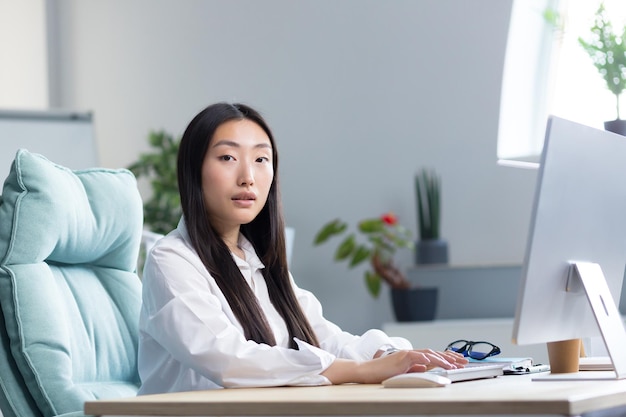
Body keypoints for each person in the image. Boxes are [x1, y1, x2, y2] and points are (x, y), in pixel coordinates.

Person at [137, 102, 467, 395]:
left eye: (261, 159)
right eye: (227, 157)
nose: (248, 177)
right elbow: (229, 360)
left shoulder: (257, 263)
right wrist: (360, 371)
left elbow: (324, 337)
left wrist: (391, 356)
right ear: (193, 171)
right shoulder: (172, 260)